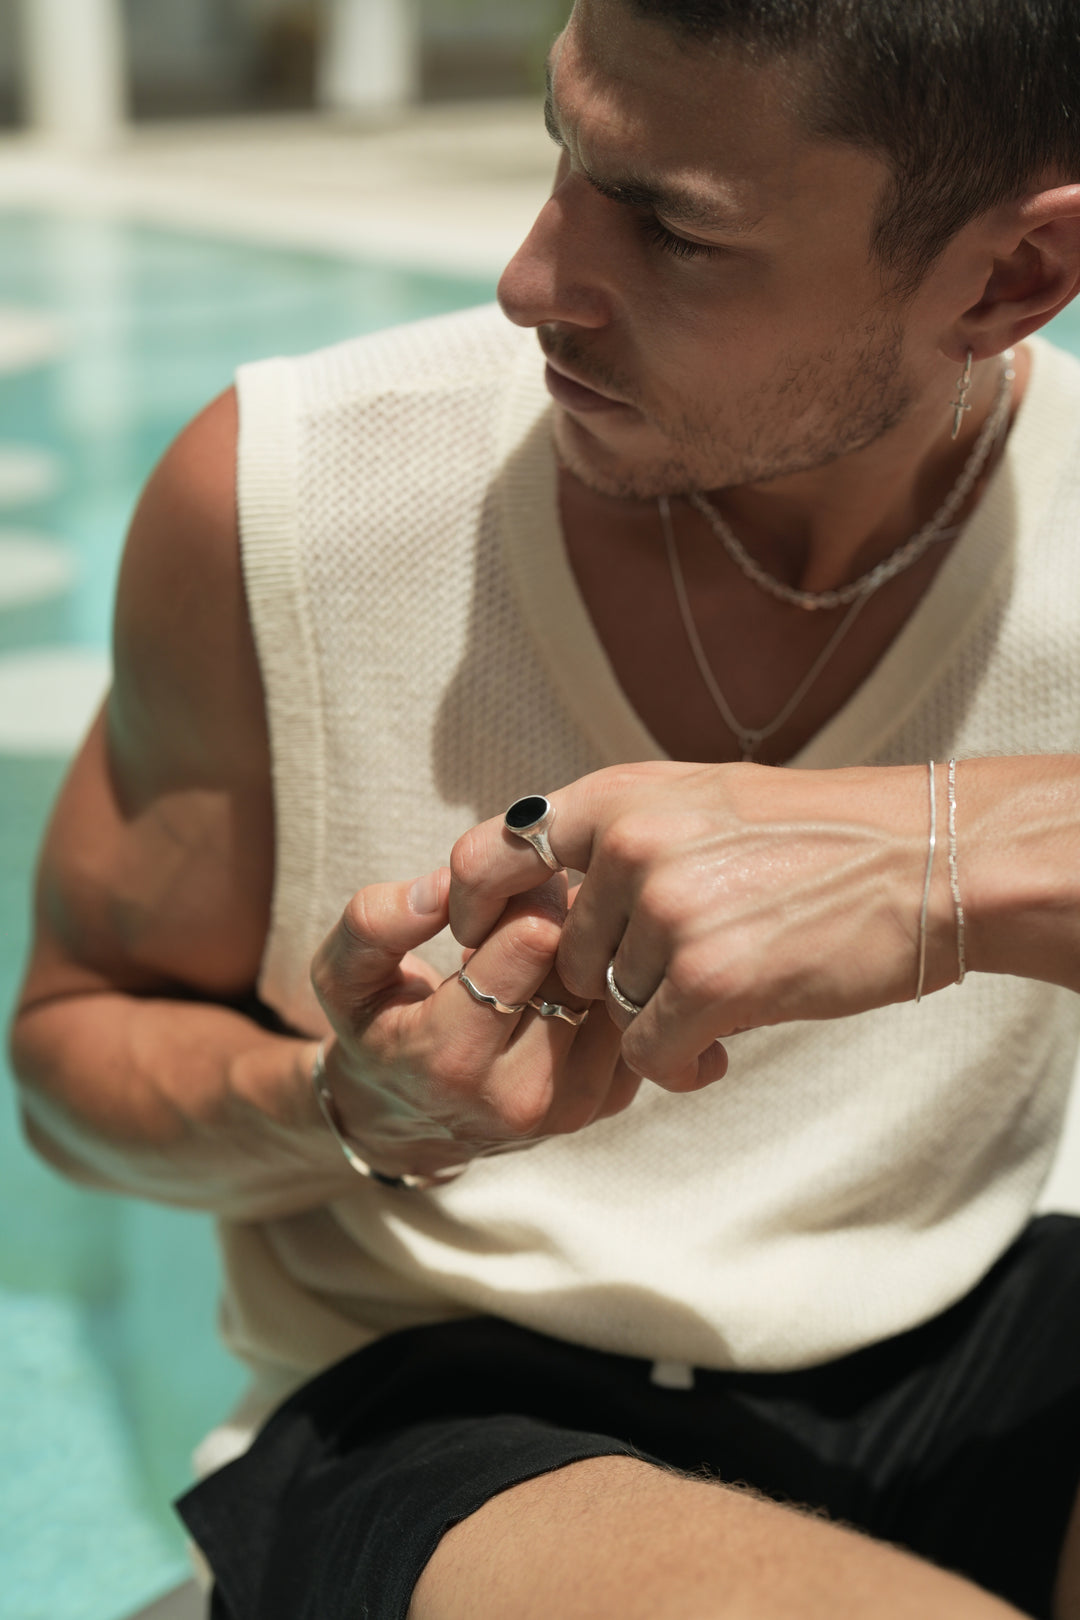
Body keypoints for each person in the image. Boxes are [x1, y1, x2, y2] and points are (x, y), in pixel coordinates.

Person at [10, 0, 1080, 1614]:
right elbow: (73, 1056)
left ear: (1012, 277)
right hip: (446, 1394)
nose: (530, 279)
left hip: (986, 1328)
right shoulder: (297, 493)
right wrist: (348, 1105)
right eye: (566, 152)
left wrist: (949, 858)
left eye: (673, 229)